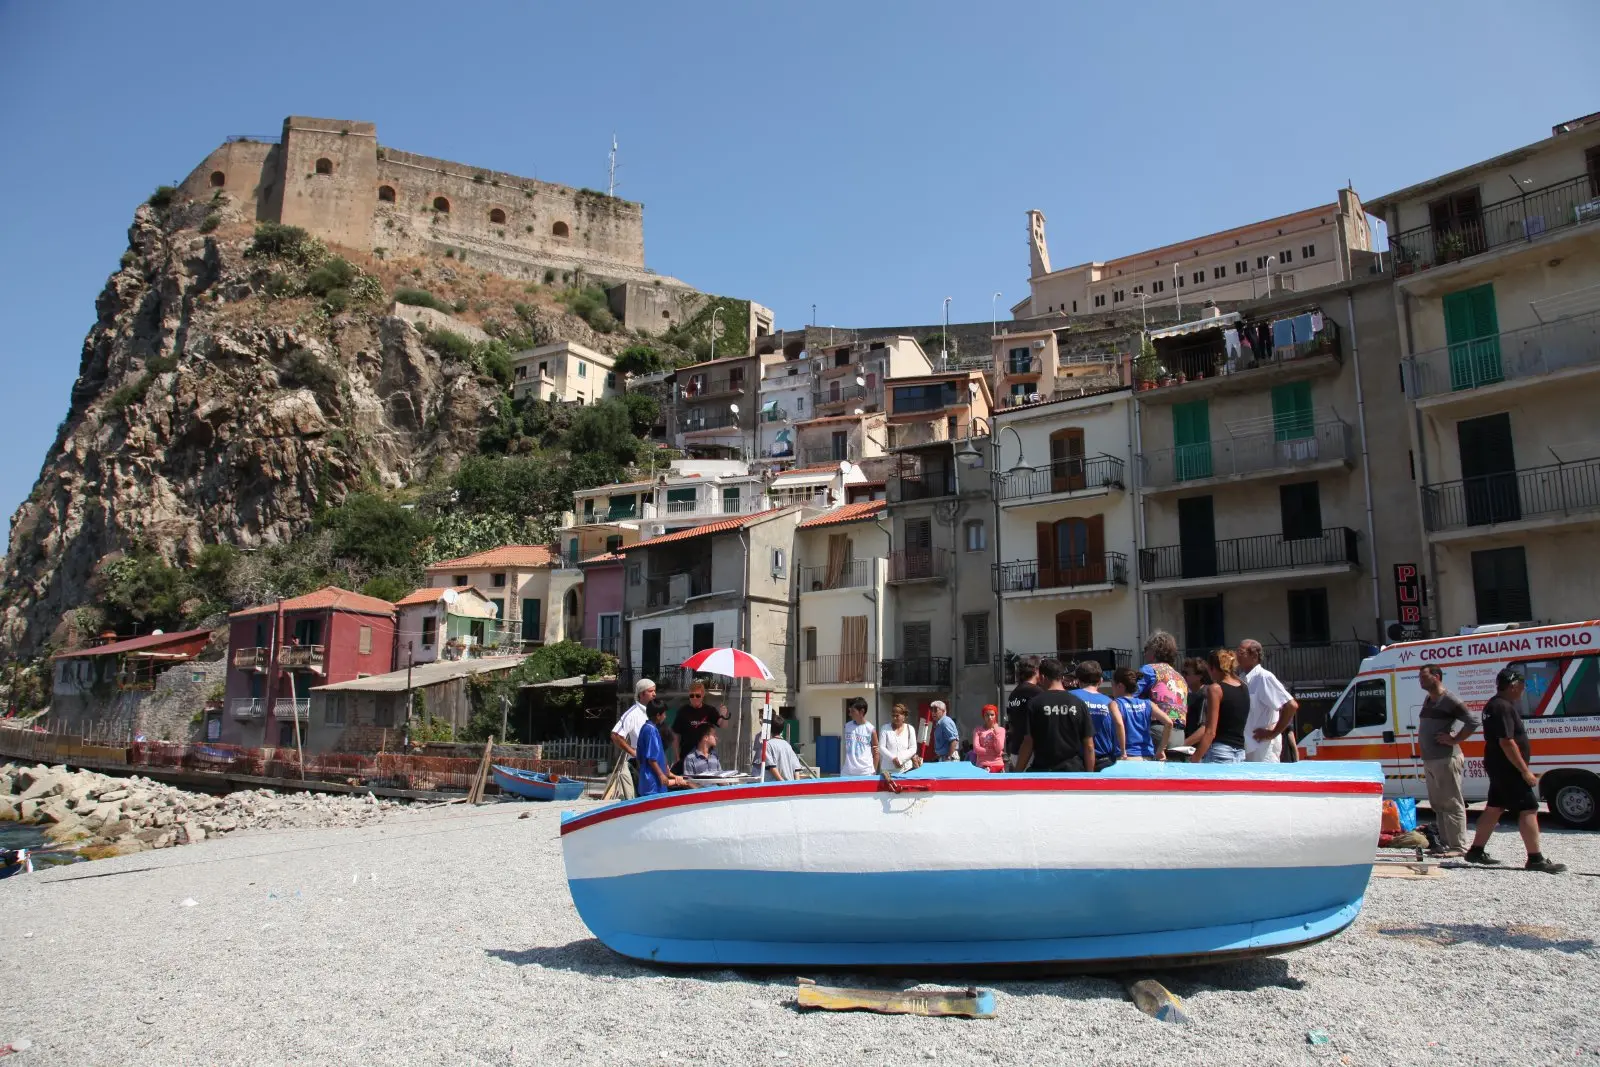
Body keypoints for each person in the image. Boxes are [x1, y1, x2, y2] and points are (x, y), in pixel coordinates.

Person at [1465, 670, 1565, 873]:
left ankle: (1475, 851)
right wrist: (1524, 771)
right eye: (1521, 685)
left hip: (1499, 766)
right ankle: (1535, 858)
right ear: (1512, 686)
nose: (1523, 689)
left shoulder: (1495, 704)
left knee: (1495, 807)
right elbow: (1506, 741)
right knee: (1528, 809)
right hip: (1508, 768)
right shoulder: (1501, 707)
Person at [1417, 664, 1479, 857]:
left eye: (1424, 676)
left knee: (1452, 803)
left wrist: (1455, 739)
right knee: (1438, 804)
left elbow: (1472, 721)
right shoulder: (1429, 699)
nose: (1420, 680)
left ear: (1436, 676)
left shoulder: (1449, 699)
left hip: (1446, 758)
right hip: (1431, 759)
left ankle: (1458, 846)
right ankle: (1444, 843)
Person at [1013, 657, 1095, 773]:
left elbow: (1028, 742)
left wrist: (1017, 773)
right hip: (1072, 770)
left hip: (1043, 771)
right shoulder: (1078, 703)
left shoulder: (1034, 704)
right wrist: (1090, 776)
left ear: (1042, 677)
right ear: (1061, 677)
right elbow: (1089, 745)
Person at [1238, 639, 1298, 762]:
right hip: (1247, 747)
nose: (1237, 655)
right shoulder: (1242, 679)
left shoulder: (1264, 677)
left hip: (1263, 748)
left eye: (1241, 652)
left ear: (1254, 655)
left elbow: (1291, 705)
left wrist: (1273, 733)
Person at [1196, 649, 1250, 763]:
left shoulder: (1215, 689)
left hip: (1220, 751)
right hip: (1240, 752)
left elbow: (1210, 732)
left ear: (1213, 669)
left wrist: (1195, 759)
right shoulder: (1244, 687)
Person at [1070, 660, 1123, 771]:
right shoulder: (1110, 702)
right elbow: (1116, 732)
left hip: (1075, 762)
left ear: (1078, 681)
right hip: (1104, 762)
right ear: (1100, 681)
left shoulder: (1069, 698)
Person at [607, 677, 655, 798]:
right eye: (651, 691)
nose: (654, 694)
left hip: (652, 763)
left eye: (654, 691)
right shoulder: (633, 713)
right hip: (638, 764)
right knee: (640, 798)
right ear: (642, 694)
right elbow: (615, 735)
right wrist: (633, 752)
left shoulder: (652, 712)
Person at [1135, 631, 1190, 736]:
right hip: (1179, 734)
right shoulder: (1180, 677)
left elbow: (1130, 694)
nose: (1144, 653)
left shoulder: (1149, 670)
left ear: (1154, 651)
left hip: (1156, 730)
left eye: (1146, 649)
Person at [1112, 667, 1171, 760]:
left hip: (1127, 756)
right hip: (1147, 756)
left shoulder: (1115, 704)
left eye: (1113, 686)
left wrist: (1123, 751)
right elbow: (1169, 722)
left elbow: (1119, 724)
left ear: (1119, 686)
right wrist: (1161, 749)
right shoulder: (1148, 704)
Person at [635, 700, 685, 796]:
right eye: (664, 714)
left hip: (650, 781)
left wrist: (674, 776)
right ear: (658, 715)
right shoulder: (651, 730)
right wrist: (661, 775)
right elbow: (651, 759)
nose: (665, 716)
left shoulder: (646, 728)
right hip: (652, 784)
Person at [671, 681, 717, 773]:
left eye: (697, 696)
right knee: (689, 782)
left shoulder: (710, 710)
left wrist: (724, 715)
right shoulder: (683, 711)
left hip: (707, 755)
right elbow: (675, 736)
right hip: (687, 754)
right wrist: (676, 756)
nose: (694, 698)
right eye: (691, 696)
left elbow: (721, 724)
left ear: (703, 695)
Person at [1005, 656, 1042, 767]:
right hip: (1031, 752)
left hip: (1016, 748)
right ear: (1036, 671)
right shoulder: (1037, 692)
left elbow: (1012, 723)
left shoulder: (1013, 694)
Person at [1181, 657, 1217, 752]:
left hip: (1201, 752)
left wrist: (1182, 744)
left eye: (1187, 673)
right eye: (1182, 673)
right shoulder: (1187, 695)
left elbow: (1205, 727)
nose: (1183, 676)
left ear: (1199, 676)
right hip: (1190, 749)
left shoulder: (1206, 694)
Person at [754, 713, 803, 780]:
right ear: (782, 729)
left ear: (769, 728)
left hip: (775, 786)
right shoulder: (787, 745)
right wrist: (796, 785)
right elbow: (796, 768)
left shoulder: (767, 745)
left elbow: (772, 767)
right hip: (790, 786)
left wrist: (782, 782)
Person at [841, 697, 878, 777]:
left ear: (862, 711)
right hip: (847, 771)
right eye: (849, 711)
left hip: (865, 772)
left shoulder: (870, 729)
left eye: (853, 711)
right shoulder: (847, 726)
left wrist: (873, 771)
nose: (850, 714)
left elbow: (876, 752)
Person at [878, 703, 921, 773]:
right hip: (888, 771)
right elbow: (881, 747)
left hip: (906, 769)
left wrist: (900, 759)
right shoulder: (885, 728)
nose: (894, 718)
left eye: (897, 716)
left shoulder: (910, 729)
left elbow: (913, 748)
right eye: (893, 716)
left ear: (904, 716)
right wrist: (893, 759)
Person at [970, 704, 1006, 772]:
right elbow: (976, 749)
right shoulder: (978, 730)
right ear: (983, 716)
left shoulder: (1001, 730)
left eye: (992, 715)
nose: (990, 717)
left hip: (998, 765)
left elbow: (999, 748)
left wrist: (996, 732)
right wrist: (994, 752)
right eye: (987, 715)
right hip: (982, 765)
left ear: (995, 715)